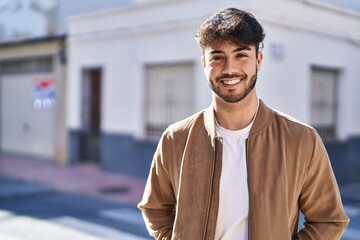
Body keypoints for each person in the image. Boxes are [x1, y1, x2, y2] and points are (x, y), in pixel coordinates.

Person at [138, 7, 349, 240]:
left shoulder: (302, 140)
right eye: (217, 57)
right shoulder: (175, 138)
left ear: (258, 60)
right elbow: (155, 209)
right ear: (203, 63)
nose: (229, 69)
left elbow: (328, 220)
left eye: (241, 55)